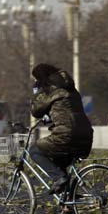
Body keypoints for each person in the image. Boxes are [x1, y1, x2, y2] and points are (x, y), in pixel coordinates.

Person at [29, 63, 94, 197]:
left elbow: (36, 111)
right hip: (86, 135)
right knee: (59, 163)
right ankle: (68, 203)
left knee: (34, 150)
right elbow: (66, 109)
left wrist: (37, 92)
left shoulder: (49, 90)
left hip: (66, 135)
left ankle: (58, 179)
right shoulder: (71, 88)